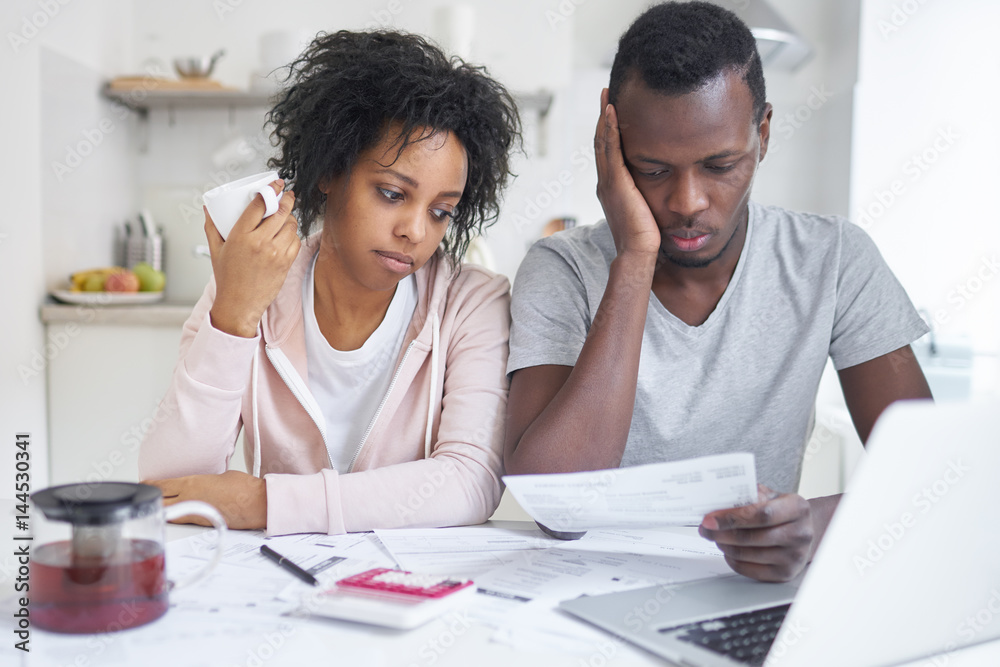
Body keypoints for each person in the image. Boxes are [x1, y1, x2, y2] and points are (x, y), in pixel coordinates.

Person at [503, 2, 932, 582]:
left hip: (745, 591)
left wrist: (811, 525)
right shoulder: (561, 268)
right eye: (651, 169)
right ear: (612, 147)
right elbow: (555, 507)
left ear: (763, 132)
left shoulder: (833, 260)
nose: (688, 202)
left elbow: (927, 476)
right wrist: (633, 260)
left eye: (720, 164)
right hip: (580, 596)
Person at [139, 30, 520, 536]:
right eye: (390, 193)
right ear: (329, 172)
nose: (415, 231)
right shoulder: (253, 290)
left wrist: (267, 503)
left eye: (441, 211)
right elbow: (171, 485)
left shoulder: (472, 303)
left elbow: (471, 481)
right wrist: (233, 315)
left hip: (410, 591)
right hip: (278, 585)